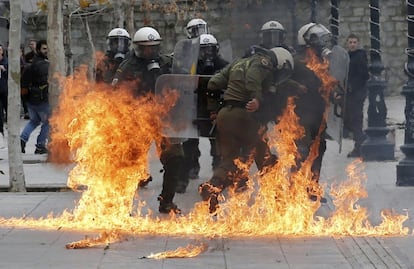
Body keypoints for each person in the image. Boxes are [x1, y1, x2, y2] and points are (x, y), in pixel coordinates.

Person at [198, 47, 295, 213]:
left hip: (225, 116)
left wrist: (213, 110)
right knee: (265, 158)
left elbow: (213, 83)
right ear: (278, 61)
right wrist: (256, 98)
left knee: (230, 160)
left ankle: (212, 187)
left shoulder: (237, 63)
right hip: (246, 116)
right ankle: (279, 202)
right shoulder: (263, 63)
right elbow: (252, 79)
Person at [112, 26, 183, 214]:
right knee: (131, 162)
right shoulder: (127, 67)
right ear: (137, 48)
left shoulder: (167, 63)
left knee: (175, 158)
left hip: (164, 120)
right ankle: (122, 204)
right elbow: (117, 94)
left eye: (153, 47)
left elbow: (181, 83)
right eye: (145, 48)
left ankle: (167, 201)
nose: (150, 51)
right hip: (139, 120)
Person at [288, 22, 335, 203]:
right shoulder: (295, 62)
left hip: (318, 113)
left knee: (319, 149)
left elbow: (326, 84)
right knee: (301, 151)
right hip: (300, 115)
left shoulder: (323, 62)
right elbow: (282, 83)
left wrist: (335, 93)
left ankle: (312, 188)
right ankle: (294, 190)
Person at [176, 33, 229, 193]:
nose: (207, 54)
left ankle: (218, 179)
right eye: (203, 50)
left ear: (216, 50)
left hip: (215, 111)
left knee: (218, 148)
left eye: (210, 50)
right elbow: (180, 84)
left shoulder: (225, 66)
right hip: (194, 109)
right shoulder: (189, 66)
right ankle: (183, 179)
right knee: (188, 146)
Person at [20, 39, 50, 155]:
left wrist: (26, 100)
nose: (46, 51)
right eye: (44, 49)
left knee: (34, 121)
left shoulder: (31, 64)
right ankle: (40, 145)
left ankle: (22, 140)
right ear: (38, 50)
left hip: (31, 100)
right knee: (48, 121)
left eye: (47, 49)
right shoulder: (44, 65)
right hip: (41, 100)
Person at [344, 33, 369, 157]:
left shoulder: (359, 56)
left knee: (355, 119)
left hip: (357, 93)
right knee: (350, 119)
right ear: (347, 44)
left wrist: (352, 87)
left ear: (358, 43)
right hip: (349, 93)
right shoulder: (348, 56)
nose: (352, 44)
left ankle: (359, 146)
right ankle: (360, 142)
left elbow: (363, 75)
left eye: (354, 42)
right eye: (350, 42)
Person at [0, 44, 8, 148]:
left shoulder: (6, 61)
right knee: (0, 114)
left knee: (8, 110)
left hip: (5, 91)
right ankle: (1, 131)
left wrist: (4, 69)